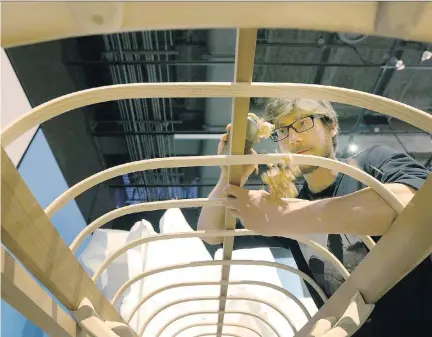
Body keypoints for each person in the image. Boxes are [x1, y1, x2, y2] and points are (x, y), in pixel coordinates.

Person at [197, 98, 431, 337]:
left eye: (303, 124)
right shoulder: (286, 205)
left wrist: (286, 216)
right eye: (282, 131)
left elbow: (418, 204)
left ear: (332, 127)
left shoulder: (371, 164)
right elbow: (212, 233)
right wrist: (229, 176)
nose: (293, 139)